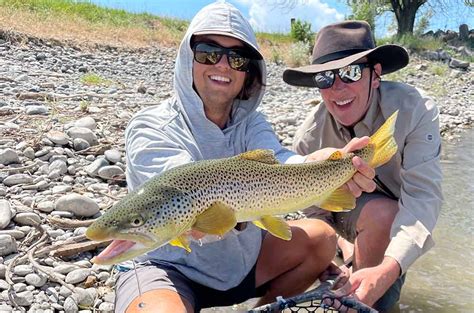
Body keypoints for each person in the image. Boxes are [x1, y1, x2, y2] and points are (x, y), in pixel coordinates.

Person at [115, 3, 376, 313]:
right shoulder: (151, 126)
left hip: (241, 264)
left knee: (323, 239)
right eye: (208, 52)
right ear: (188, 57)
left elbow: (278, 162)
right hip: (169, 269)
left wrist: (318, 166)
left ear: (248, 71)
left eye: (237, 58)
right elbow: (182, 189)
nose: (223, 65)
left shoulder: (252, 123)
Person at [283, 20, 443, 311]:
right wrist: (338, 255)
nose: (337, 88)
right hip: (347, 217)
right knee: (380, 220)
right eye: (324, 78)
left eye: (350, 72)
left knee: (384, 292)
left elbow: (422, 199)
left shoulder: (415, 110)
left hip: (399, 218)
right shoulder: (307, 139)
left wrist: (389, 269)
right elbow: (316, 214)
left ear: (376, 75)